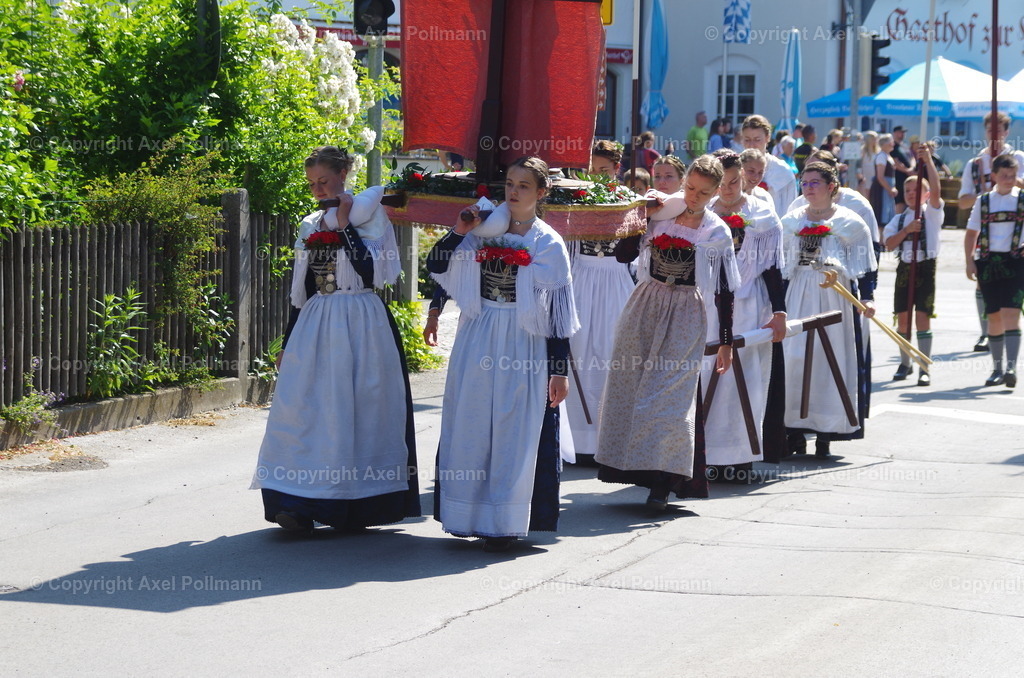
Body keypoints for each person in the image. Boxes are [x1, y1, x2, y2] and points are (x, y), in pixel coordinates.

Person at [252, 146, 420, 533]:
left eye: (323, 181)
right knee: (304, 412)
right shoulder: (310, 223)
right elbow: (303, 289)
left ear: (344, 172)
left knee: (361, 411)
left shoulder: (371, 217)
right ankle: (294, 503)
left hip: (361, 320)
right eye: (311, 183)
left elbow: (369, 273)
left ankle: (356, 505)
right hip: (316, 323)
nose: (316, 189)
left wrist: (344, 224)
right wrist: (287, 342)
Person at [427, 155, 579, 552]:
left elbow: (559, 316)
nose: (513, 191)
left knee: (515, 427)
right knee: (472, 420)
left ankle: (507, 520)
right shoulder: (484, 230)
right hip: (479, 333)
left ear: (541, 193)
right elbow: (437, 264)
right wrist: (460, 230)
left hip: (522, 340)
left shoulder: (548, 243)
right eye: (509, 183)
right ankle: (466, 515)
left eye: (523, 186)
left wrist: (559, 370)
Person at [595, 154, 739, 509]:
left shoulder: (716, 231)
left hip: (686, 310)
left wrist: (725, 342)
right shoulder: (662, 216)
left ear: (715, 192)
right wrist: (640, 217)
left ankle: (663, 482)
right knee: (630, 384)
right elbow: (622, 256)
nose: (693, 197)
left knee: (670, 398)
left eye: (703, 193)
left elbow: (724, 289)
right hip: (646, 302)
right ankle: (633, 469)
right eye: (690, 187)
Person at [781, 161, 877, 457]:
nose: (808, 188)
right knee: (793, 360)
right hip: (798, 295)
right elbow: (780, 266)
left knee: (829, 360)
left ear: (831, 186)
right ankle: (793, 430)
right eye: (805, 183)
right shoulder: (792, 221)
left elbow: (864, 267)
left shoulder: (850, 222)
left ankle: (826, 432)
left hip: (835, 297)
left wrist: (869, 298)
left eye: (814, 183)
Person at [704, 149, 787, 478]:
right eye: (721, 183)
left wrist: (779, 312)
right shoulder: (704, 213)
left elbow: (772, 269)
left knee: (748, 379)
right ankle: (707, 455)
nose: (727, 189)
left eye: (734, 181)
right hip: (710, 308)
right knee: (709, 374)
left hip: (750, 305)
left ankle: (741, 457)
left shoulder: (763, 214)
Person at [563, 141, 638, 466]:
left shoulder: (627, 200)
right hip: (581, 281)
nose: (597, 176)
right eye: (593, 170)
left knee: (611, 354)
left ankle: (609, 440)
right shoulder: (577, 198)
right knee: (578, 353)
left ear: (616, 169)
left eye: (604, 170)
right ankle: (578, 441)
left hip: (615, 281)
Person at [958, 113, 1024, 352]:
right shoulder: (974, 164)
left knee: (1011, 299)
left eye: (1000, 131)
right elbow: (963, 201)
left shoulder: (1018, 158)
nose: (995, 136)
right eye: (990, 131)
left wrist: (1009, 184)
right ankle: (985, 332)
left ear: (1007, 132)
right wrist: (988, 198)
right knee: (983, 287)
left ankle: (1003, 338)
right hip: (986, 232)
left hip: (1014, 238)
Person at [883, 146, 944, 386]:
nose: (910, 193)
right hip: (905, 269)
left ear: (926, 194)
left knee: (922, 317)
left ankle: (923, 366)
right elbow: (888, 244)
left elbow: (937, 190)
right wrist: (907, 231)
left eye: (917, 189)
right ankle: (905, 362)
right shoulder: (899, 218)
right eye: (907, 190)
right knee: (904, 317)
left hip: (926, 268)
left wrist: (927, 160)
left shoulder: (932, 213)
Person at [965, 154, 1024, 389]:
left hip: (1016, 261)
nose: (1010, 180)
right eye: (1005, 176)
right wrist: (969, 260)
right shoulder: (984, 201)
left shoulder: (1022, 199)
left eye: (1013, 175)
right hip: (988, 262)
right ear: (994, 176)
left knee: (1012, 314)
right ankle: (997, 369)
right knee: (994, 316)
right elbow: (971, 233)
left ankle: (1011, 367)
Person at [741, 115, 798, 215]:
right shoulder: (734, 167)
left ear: (767, 138)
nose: (751, 145)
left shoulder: (783, 171)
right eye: (747, 139)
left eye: (757, 139)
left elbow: (791, 209)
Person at [870, 133, 897, 226]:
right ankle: (880, 239)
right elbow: (880, 176)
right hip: (882, 189)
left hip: (887, 188)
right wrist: (890, 189)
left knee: (887, 214)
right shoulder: (881, 156)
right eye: (891, 142)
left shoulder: (887, 156)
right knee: (882, 215)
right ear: (885, 143)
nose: (893, 144)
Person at [891, 126, 914, 214]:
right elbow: (895, 162)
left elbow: (912, 157)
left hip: (908, 177)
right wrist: (907, 171)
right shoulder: (893, 146)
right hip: (899, 177)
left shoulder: (904, 146)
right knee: (900, 201)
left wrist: (911, 168)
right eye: (901, 132)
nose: (903, 134)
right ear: (895, 133)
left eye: (904, 132)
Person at [858, 131, 880, 198]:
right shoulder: (862, 150)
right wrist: (860, 176)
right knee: (866, 195)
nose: (876, 140)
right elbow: (859, 164)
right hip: (865, 175)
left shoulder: (878, 151)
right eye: (875, 139)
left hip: (874, 175)